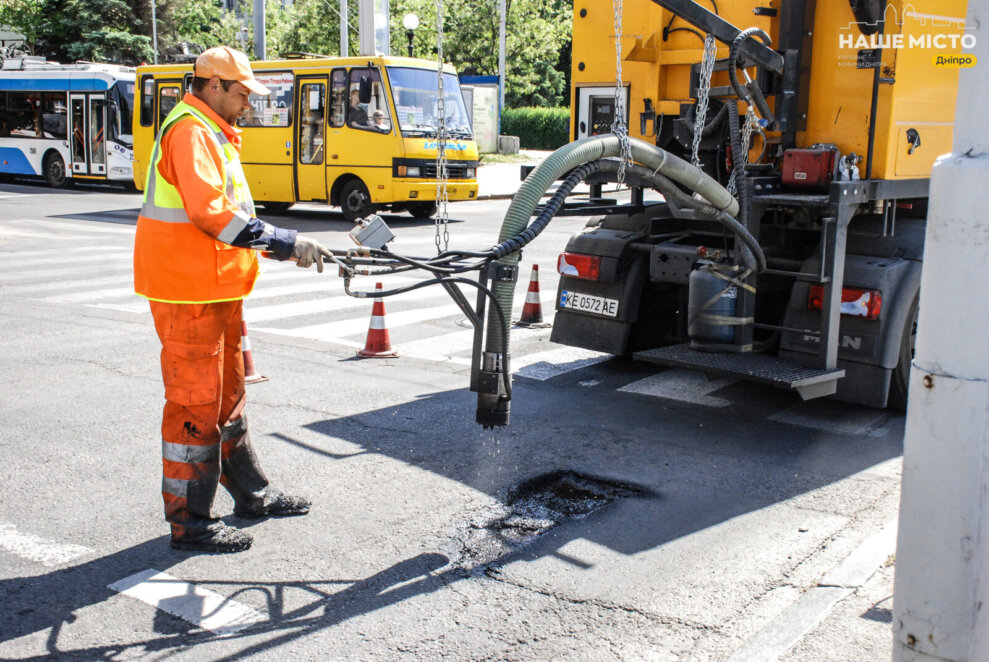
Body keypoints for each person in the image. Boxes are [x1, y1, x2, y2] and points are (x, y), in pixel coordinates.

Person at [133, 46, 333, 554]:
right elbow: (211, 214)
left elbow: (224, 217)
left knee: (227, 398)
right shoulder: (191, 131)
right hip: (187, 293)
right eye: (243, 93)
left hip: (214, 288)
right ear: (215, 85)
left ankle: (252, 496)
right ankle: (190, 524)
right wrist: (286, 242)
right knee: (195, 406)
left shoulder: (212, 131)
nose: (249, 103)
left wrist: (278, 244)